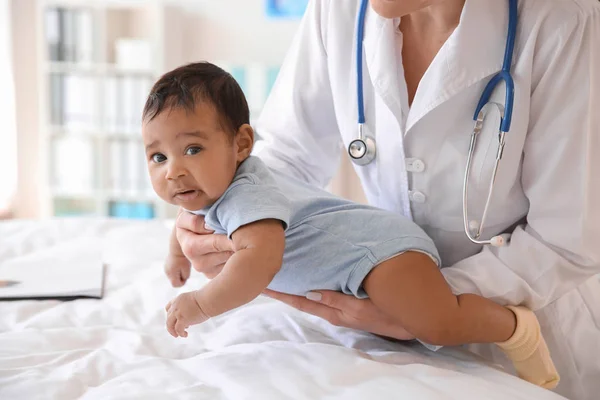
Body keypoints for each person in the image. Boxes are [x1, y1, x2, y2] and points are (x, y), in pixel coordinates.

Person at [172, 1, 600, 399]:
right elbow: (284, 159)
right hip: (372, 311)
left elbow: (564, 240)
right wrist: (232, 217)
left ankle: (512, 329)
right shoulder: (339, 9)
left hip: (524, 314)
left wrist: (419, 304)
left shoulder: (564, 22)